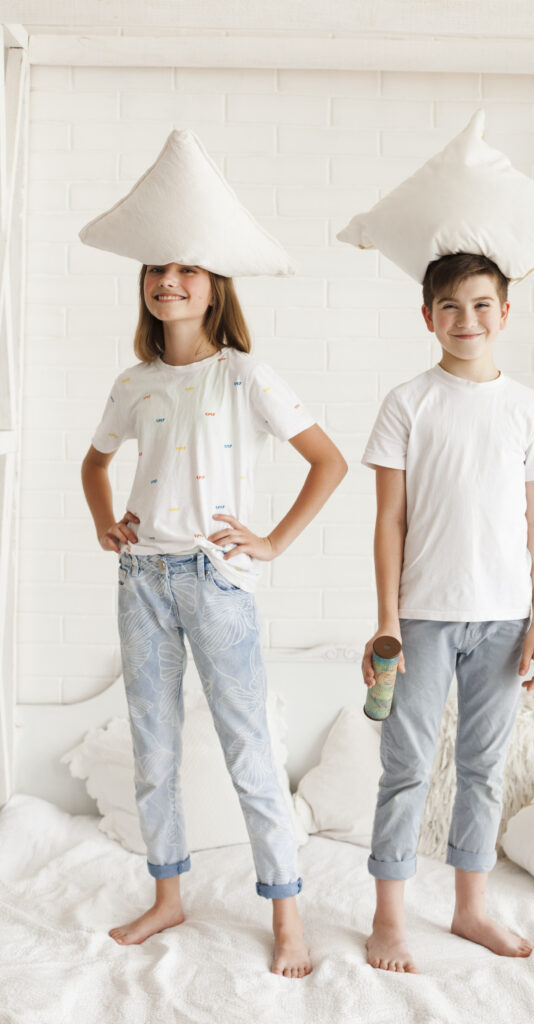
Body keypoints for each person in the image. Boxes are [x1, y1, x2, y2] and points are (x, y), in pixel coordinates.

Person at [81, 261, 347, 978]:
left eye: (185, 270)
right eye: (156, 271)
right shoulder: (133, 383)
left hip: (216, 582)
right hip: (141, 580)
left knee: (250, 752)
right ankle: (167, 896)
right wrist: (108, 524)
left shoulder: (244, 375)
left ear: (213, 286)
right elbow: (94, 463)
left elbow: (328, 461)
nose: (168, 281)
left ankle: (286, 914)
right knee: (154, 749)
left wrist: (272, 541)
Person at [360, 251, 534, 973]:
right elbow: (389, 521)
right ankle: (388, 919)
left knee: (482, 768)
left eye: (481, 305)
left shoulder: (528, 409)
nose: (466, 319)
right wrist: (386, 619)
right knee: (406, 766)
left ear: (503, 314)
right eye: (449, 306)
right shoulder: (406, 402)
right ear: (426, 317)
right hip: (419, 618)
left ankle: (469, 909)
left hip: (505, 622)